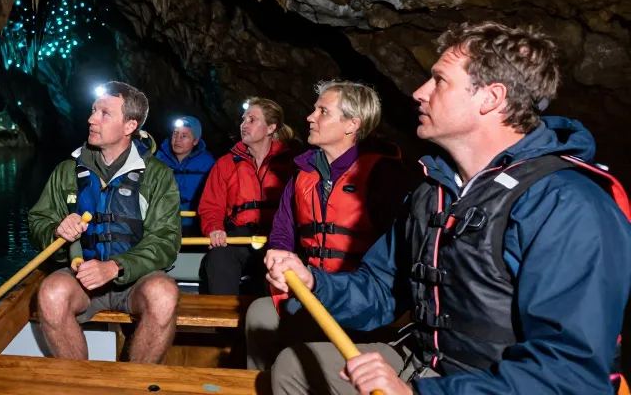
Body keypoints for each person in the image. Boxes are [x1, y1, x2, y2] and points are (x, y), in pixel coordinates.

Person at [266, 22, 631, 395]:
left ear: (490, 98)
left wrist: (418, 393)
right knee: (293, 367)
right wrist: (315, 283)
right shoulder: (432, 192)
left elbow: (569, 375)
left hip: (500, 385)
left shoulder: (567, 205)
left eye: (439, 81)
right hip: (427, 362)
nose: (419, 92)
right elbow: (380, 289)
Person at [245, 80, 412, 370]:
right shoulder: (303, 174)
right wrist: (280, 255)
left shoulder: (384, 177)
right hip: (312, 290)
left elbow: (396, 259)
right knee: (260, 313)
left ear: (352, 125)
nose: (310, 117)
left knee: (293, 344)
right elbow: (283, 229)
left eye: (323, 111)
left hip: (362, 302)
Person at [28, 81, 182, 364]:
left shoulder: (157, 175)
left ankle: (135, 382)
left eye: (105, 113)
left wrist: (115, 267)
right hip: (81, 278)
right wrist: (56, 231)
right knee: (50, 292)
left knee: (163, 294)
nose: (91, 119)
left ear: (129, 126)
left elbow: (166, 241)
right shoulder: (66, 171)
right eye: (93, 110)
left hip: (136, 281)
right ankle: (79, 380)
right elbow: (37, 222)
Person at [197, 97, 301, 295]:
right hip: (238, 237)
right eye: (243, 120)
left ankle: (276, 312)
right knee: (218, 258)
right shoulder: (226, 163)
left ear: (270, 128)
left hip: (277, 238)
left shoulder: (292, 164)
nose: (243, 125)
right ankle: (223, 314)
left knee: (286, 264)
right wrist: (215, 229)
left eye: (252, 120)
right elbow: (211, 205)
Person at [157, 116, 216, 237]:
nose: (178, 139)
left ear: (195, 141)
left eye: (184, 135)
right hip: (162, 226)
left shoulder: (208, 164)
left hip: (195, 227)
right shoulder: (157, 161)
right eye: (175, 133)